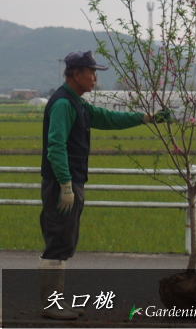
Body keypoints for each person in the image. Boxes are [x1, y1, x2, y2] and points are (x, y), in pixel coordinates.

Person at [39, 50, 170, 319]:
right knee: (59, 242)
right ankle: (51, 305)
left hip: (71, 182)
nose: (95, 78)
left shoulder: (78, 103)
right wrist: (65, 184)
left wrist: (146, 118)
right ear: (76, 74)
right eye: (92, 72)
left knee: (64, 241)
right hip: (62, 184)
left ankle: (55, 302)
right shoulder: (64, 103)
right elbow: (55, 146)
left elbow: (108, 118)